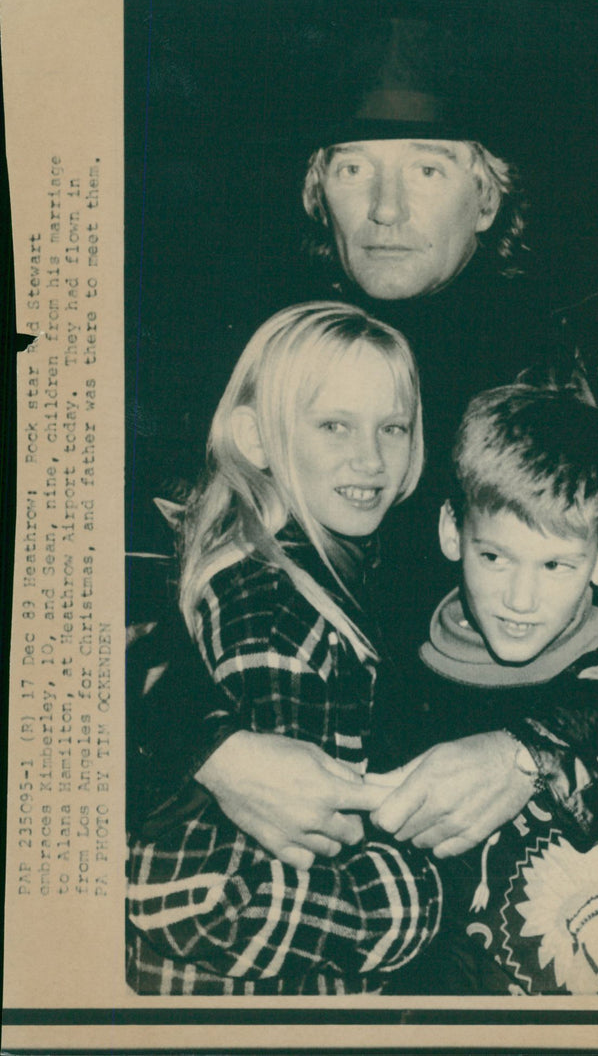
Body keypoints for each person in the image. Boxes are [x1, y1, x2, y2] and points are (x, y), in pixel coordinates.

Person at [127, 19, 598, 925]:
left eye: (428, 168)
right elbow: (115, 588)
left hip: (584, 871)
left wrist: (536, 752)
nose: (387, 209)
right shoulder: (257, 364)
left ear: (486, 196)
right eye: (356, 168)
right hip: (321, 882)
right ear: (318, 190)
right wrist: (210, 748)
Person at [126, 302, 443, 994]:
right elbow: (187, 890)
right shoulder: (277, 616)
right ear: (256, 439)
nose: (371, 457)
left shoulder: (270, 565)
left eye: (393, 427)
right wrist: (406, 905)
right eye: (335, 425)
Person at [374, 386, 598, 994]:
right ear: (452, 532)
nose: (520, 601)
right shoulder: (397, 674)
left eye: (555, 566)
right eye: (495, 557)